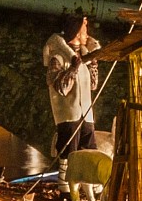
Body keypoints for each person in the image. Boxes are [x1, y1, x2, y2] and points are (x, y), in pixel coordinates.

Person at [42, 15, 102, 160]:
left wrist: (93, 63)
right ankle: (65, 182)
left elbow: (93, 85)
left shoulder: (85, 57)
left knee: (89, 156)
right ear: (76, 33)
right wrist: (73, 68)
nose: (87, 35)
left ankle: (86, 183)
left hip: (86, 116)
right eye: (84, 31)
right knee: (69, 157)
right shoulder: (58, 58)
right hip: (69, 117)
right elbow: (62, 88)